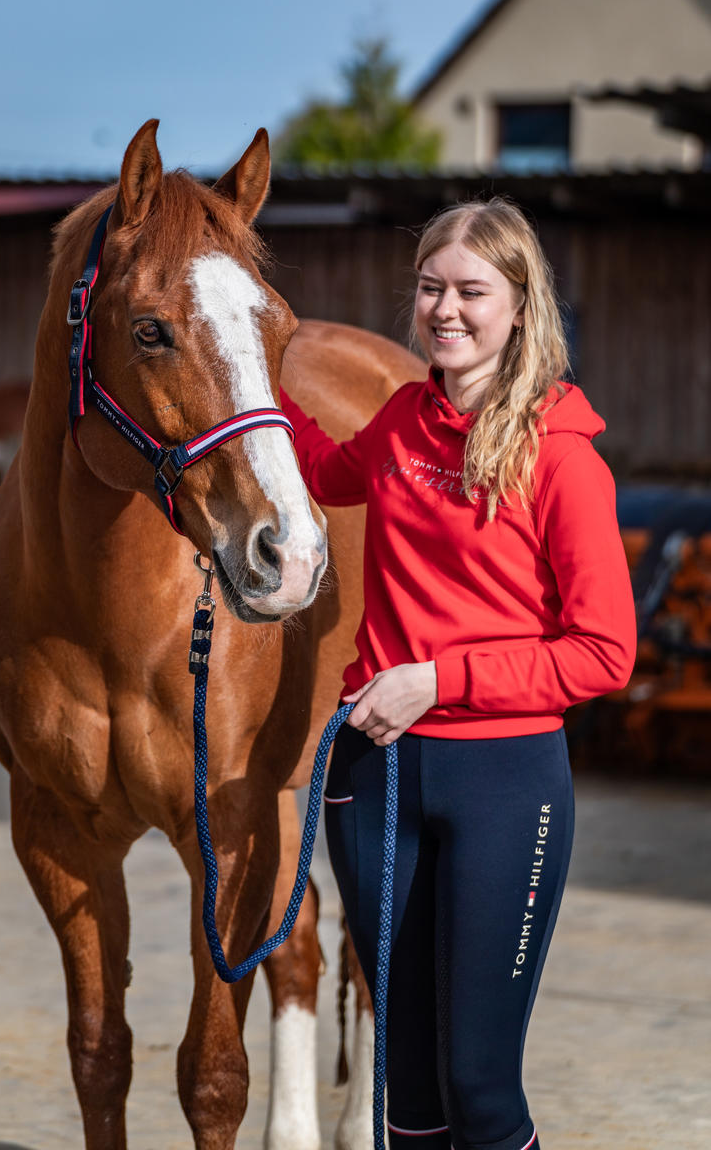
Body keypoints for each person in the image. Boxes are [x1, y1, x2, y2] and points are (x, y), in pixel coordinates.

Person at [280, 198, 636, 1150]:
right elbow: (323, 467)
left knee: (477, 1084)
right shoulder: (402, 420)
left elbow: (604, 651)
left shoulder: (563, 459)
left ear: (520, 303)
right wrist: (245, 379)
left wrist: (436, 681)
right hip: (376, 775)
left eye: (472, 291)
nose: (446, 309)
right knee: (410, 1092)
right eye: (431, 287)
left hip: (503, 784)